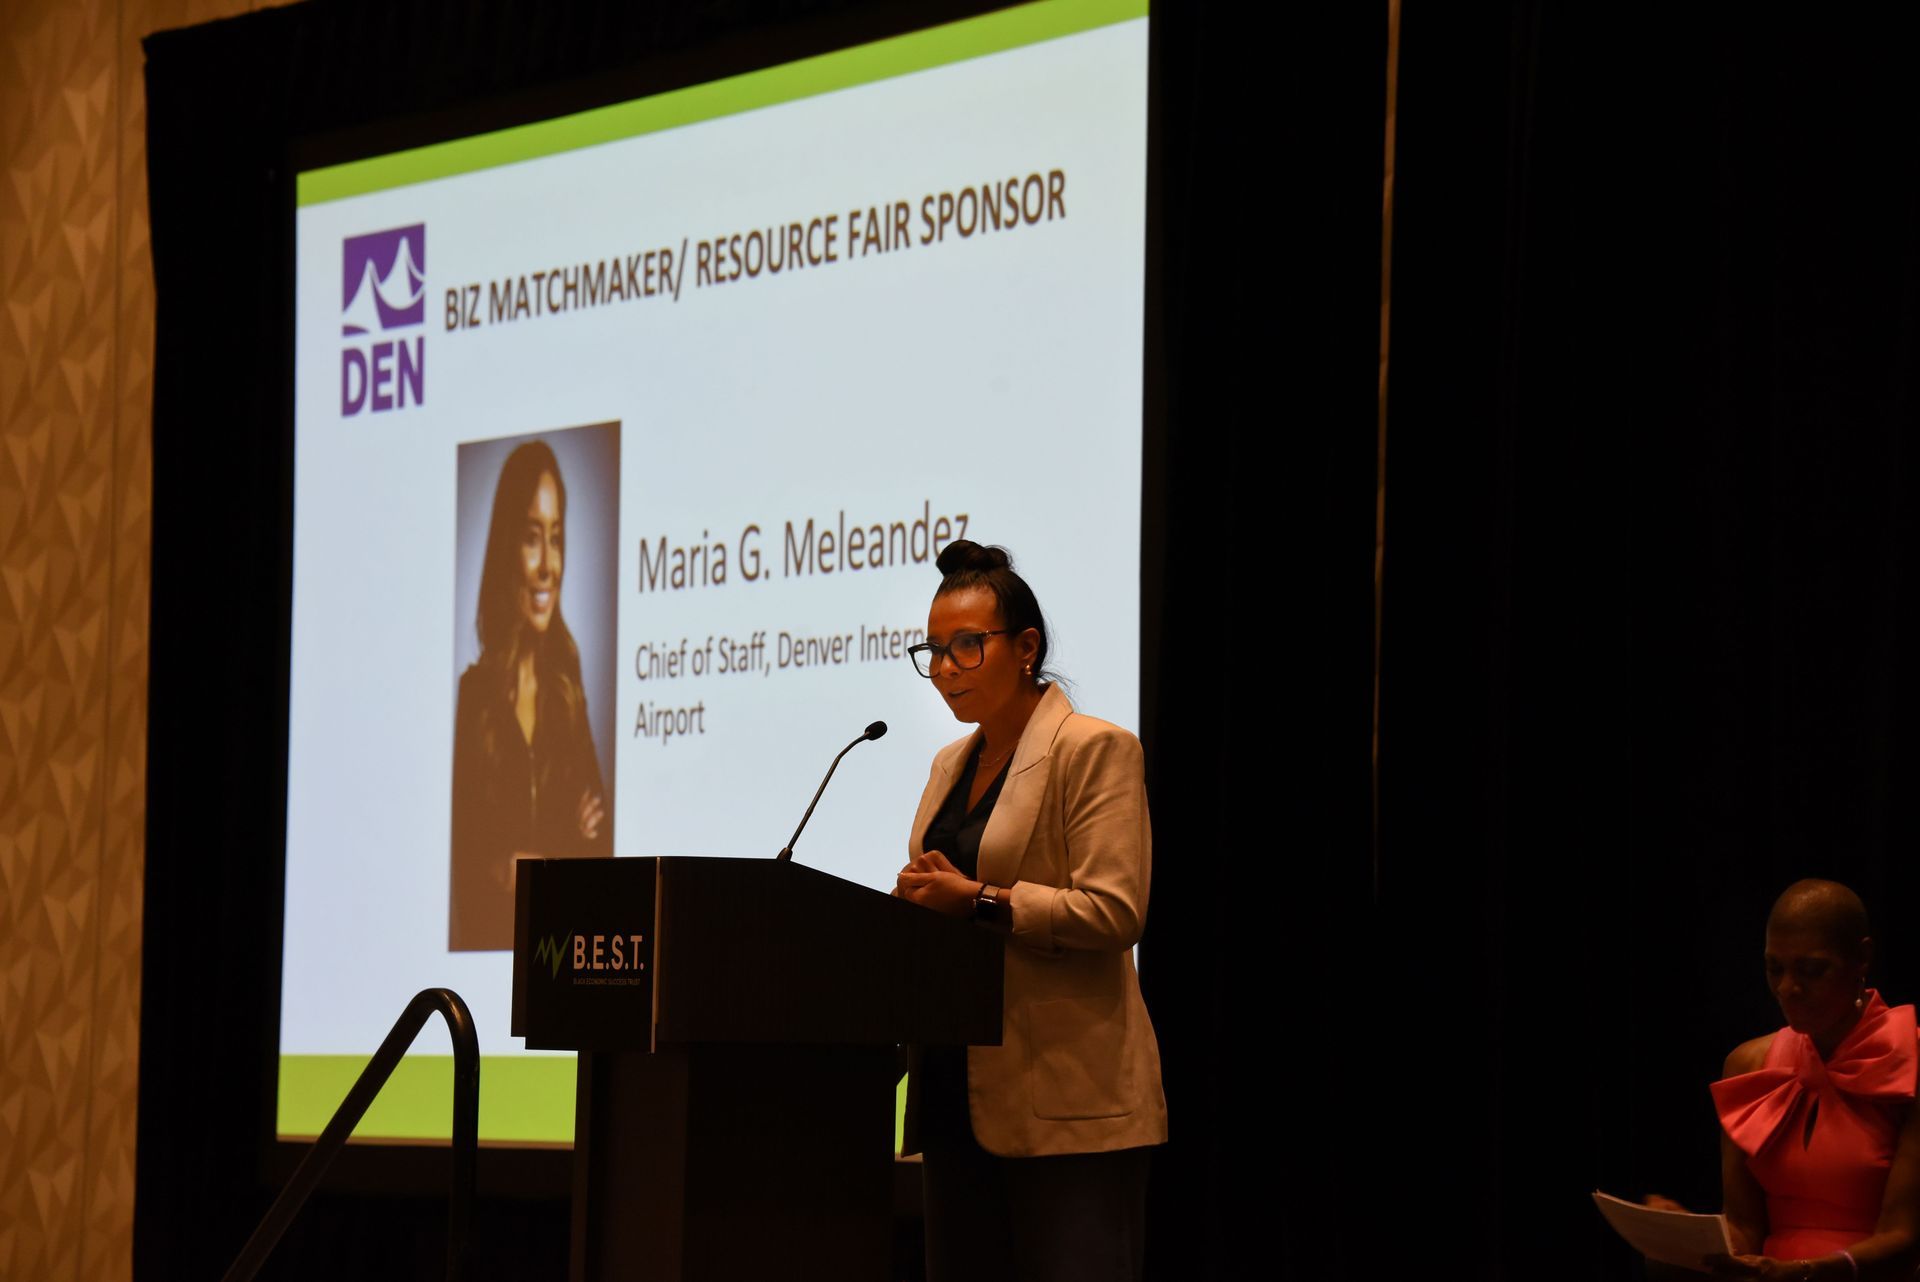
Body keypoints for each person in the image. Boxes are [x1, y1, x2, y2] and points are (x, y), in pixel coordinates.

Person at [894, 540, 1166, 1282]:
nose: (946, 668)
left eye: (967, 647)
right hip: (956, 1097)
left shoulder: (1096, 750)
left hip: (1066, 1104)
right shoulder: (948, 765)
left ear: (1026, 648)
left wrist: (980, 900)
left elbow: (1114, 912)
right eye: (934, 650)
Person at [1653, 880, 1920, 1280]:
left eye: (1811, 970)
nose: (1786, 989)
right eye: (1774, 967)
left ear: (1862, 957)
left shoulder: (1909, 1061)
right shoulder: (1748, 1065)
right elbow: (1745, 1227)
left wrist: (1806, 1271)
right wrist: (1687, 1240)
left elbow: (1905, 1238)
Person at [448, 440, 609, 951]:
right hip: (485, 954)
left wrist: (520, 865)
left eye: (557, 539)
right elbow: (467, 867)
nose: (547, 566)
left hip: (561, 954)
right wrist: (520, 860)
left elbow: (599, 844)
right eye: (532, 537)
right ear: (505, 548)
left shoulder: (568, 683)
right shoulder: (474, 696)